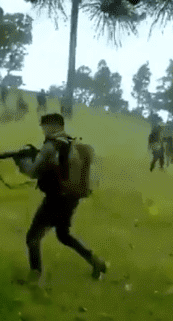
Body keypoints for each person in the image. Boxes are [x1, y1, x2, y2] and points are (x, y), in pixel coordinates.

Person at [15, 113, 107, 282]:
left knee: (32, 238)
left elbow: (33, 172)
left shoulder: (50, 147)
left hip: (55, 199)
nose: (43, 130)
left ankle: (34, 276)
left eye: (44, 126)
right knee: (63, 235)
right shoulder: (71, 143)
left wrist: (21, 162)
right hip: (71, 198)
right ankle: (96, 262)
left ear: (53, 126)